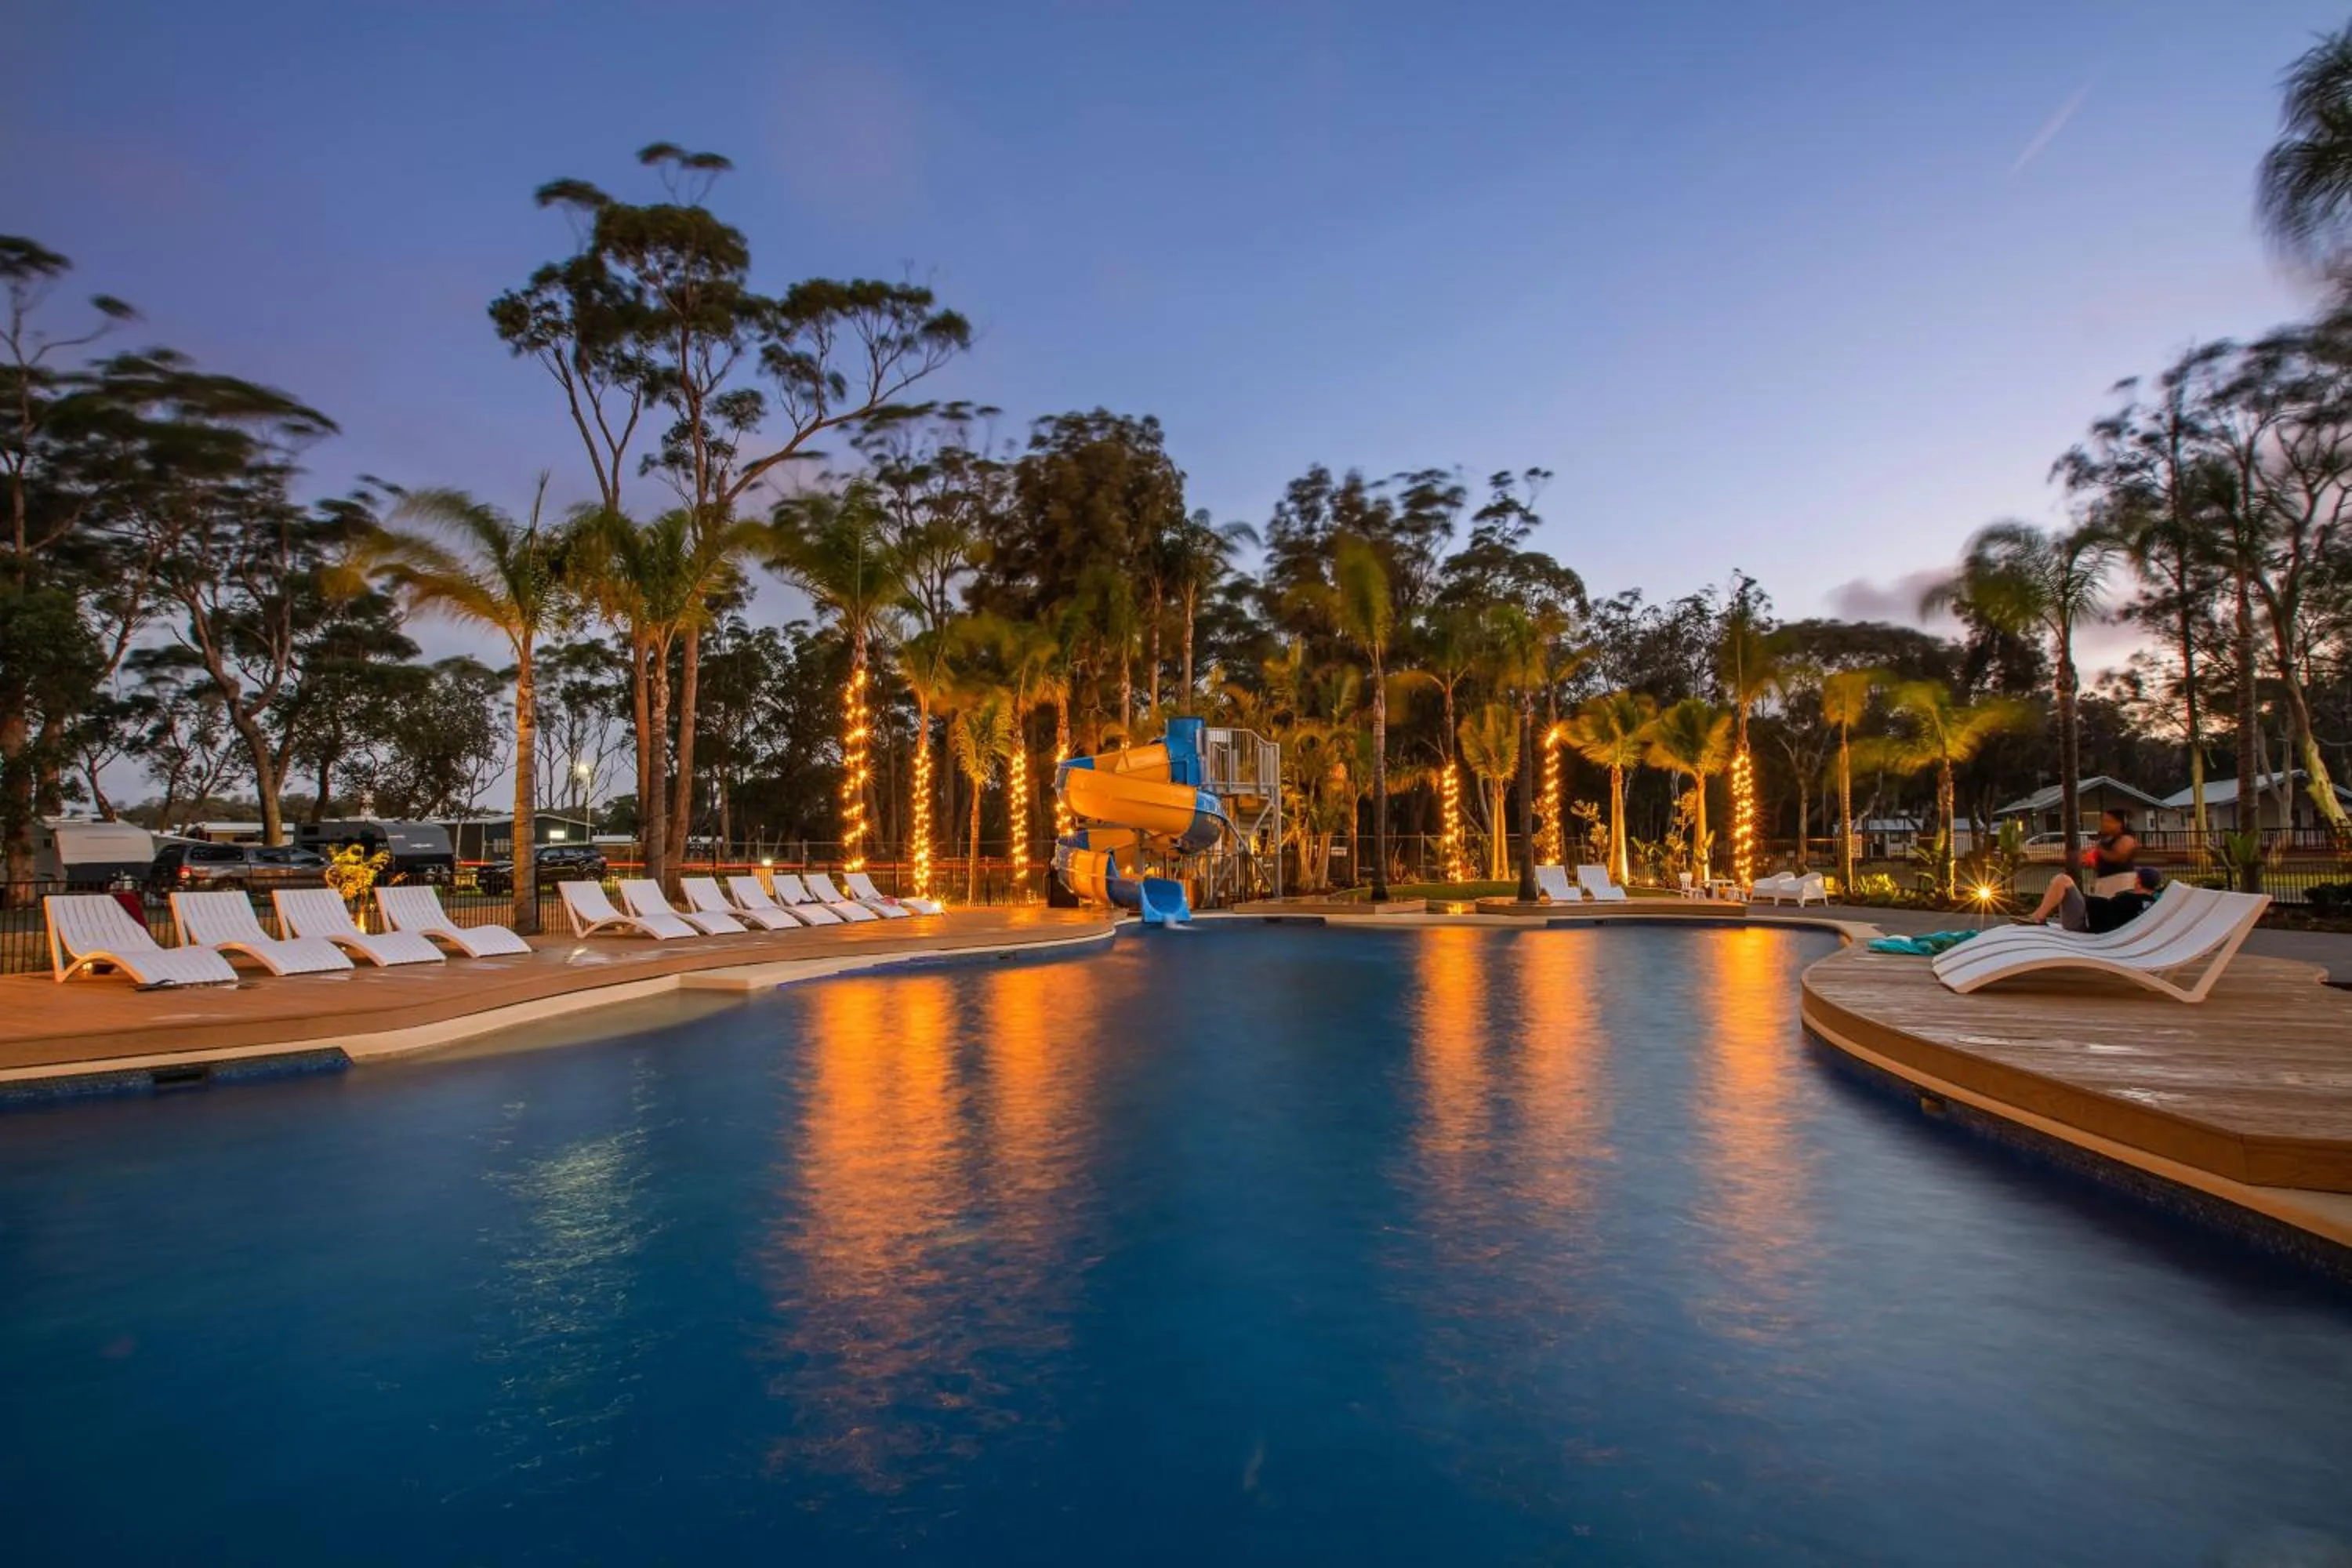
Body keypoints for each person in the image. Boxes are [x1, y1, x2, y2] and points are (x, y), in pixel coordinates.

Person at [2019, 863, 2161, 935]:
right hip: (2087, 920)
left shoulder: (2132, 900)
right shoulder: (2150, 905)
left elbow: (2109, 914)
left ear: (2138, 881)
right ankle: (2038, 916)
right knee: (2064, 882)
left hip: (2084, 922)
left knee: (2062, 880)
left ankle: (2038, 917)